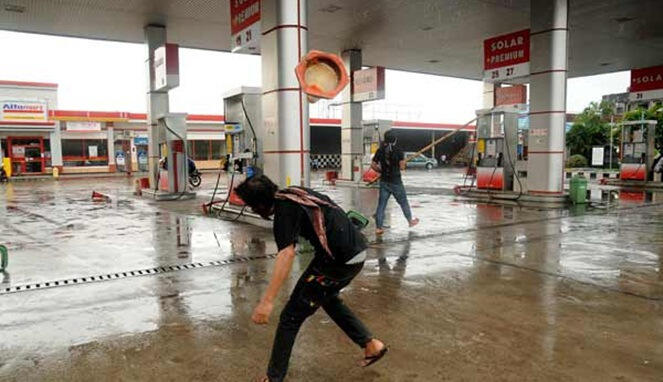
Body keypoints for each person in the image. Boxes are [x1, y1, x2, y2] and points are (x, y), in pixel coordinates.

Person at [234, 175, 388, 382]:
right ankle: (371, 345)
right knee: (327, 299)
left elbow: (286, 255)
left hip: (337, 262)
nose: (253, 211)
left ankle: (274, 378)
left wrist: (267, 301)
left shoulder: (284, 211)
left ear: (260, 204)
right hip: (355, 253)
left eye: (252, 207)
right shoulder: (293, 193)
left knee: (290, 317)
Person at [371, 130, 419, 235]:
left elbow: (373, 165)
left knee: (381, 205)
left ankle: (378, 228)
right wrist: (404, 162)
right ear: (395, 140)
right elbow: (402, 167)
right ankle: (410, 221)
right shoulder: (398, 151)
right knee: (403, 202)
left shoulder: (380, 150)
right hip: (396, 182)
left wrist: (381, 171)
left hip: (384, 181)